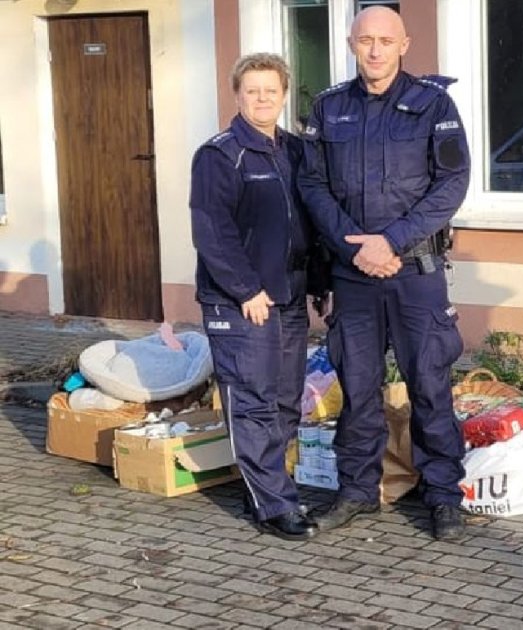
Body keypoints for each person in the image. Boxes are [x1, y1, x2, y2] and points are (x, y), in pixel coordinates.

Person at [298, 6, 471, 541]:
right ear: (352, 44)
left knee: (430, 385)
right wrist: (355, 248)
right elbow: (311, 185)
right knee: (358, 387)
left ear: (404, 44)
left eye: (385, 40)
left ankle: (443, 496)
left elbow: (451, 183)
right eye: (365, 40)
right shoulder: (329, 107)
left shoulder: (433, 104)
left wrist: (390, 241)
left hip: (415, 271)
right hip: (354, 275)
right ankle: (356, 491)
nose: (374, 50)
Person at [190, 53, 320, 541]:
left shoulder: (294, 151)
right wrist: (246, 288)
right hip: (243, 301)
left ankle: (267, 487)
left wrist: (320, 283)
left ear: (284, 95)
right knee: (253, 400)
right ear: (237, 95)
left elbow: (310, 223)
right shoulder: (220, 155)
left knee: (285, 400)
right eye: (252, 91)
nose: (262, 98)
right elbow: (212, 231)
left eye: (271, 90)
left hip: (289, 295)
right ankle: (273, 504)